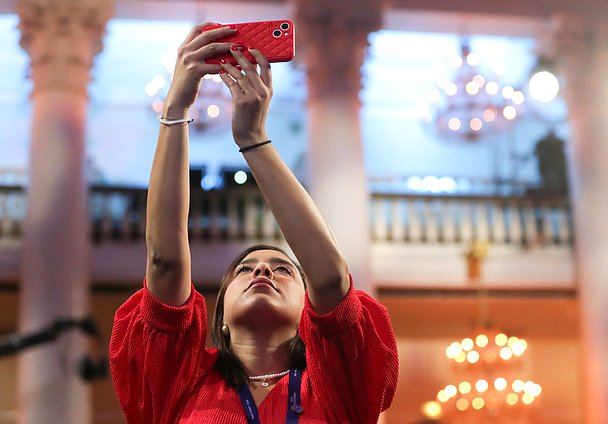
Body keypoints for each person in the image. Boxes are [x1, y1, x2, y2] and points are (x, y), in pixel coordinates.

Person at [110, 22, 399, 424]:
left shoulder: (335, 383)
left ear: (307, 315)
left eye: (283, 270)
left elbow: (332, 279)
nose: (262, 269)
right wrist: (175, 109)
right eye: (243, 270)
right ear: (221, 318)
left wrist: (253, 139)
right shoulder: (181, 381)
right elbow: (165, 263)